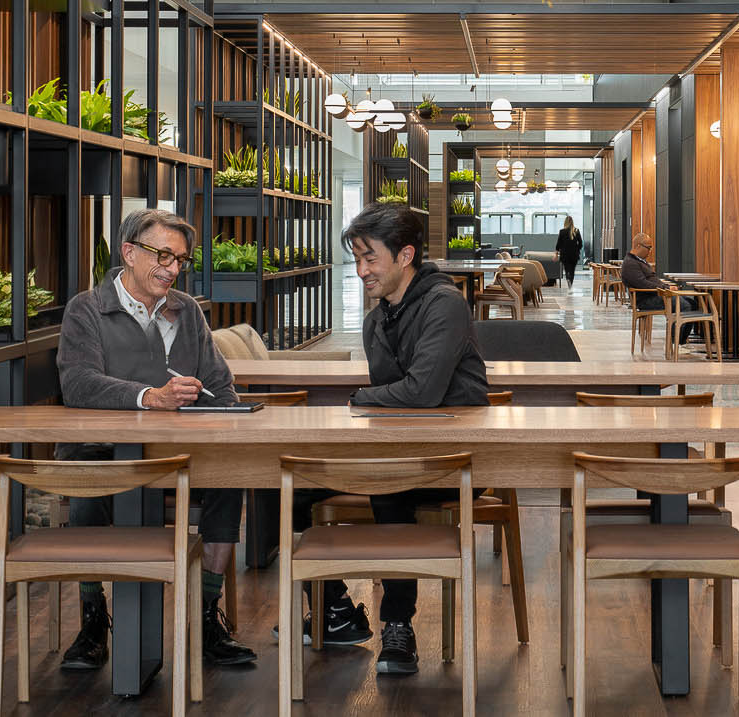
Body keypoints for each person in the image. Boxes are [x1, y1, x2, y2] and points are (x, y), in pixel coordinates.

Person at [55, 208, 258, 671]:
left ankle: (206, 619)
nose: (172, 268)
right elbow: (79, 384)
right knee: (89, 482)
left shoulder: (187, 312)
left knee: (231, 478)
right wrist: (151, 397)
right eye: (162, 255)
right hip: (103, 452)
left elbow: (218, 383)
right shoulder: (85, 309)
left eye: (180, 259)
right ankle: (92, 620)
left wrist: (230, 411)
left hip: (179, 455)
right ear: (128, 253)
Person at [293, 203, 489, 679]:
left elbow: (420, 393)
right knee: (284, 481)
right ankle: (333, 606)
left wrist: (360, 396)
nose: (360, 270)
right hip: (398, 451)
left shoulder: (444, 303)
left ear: (406, 255)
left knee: (388, 481)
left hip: (455, 460)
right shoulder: (376, 320)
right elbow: (393, 403)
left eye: (369, 258)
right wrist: (374, 402)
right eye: (356, 259)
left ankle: (398, 625)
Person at [619, 231, 674, 311]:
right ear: (638, 246)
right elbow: (643, 284)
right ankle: (677, 323)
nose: (650, 251)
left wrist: (666, 287)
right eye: (649, 248)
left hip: (654, 295)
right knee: (685, 305)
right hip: (647, 300)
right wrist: (665, 288)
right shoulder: (630, 263)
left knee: (692, 303)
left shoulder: (639, 260)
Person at [555, 215, 583, 287]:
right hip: (574, 254)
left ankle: (568, 278)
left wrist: (556, 253)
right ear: (572, 222)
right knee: (572, 270)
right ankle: (570, 281)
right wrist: (577, 249)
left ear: (565, 222)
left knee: (567, 269)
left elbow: (558, 244)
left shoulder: (562, 231)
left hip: (564, 254)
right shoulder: (576, 231)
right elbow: (581, 243)